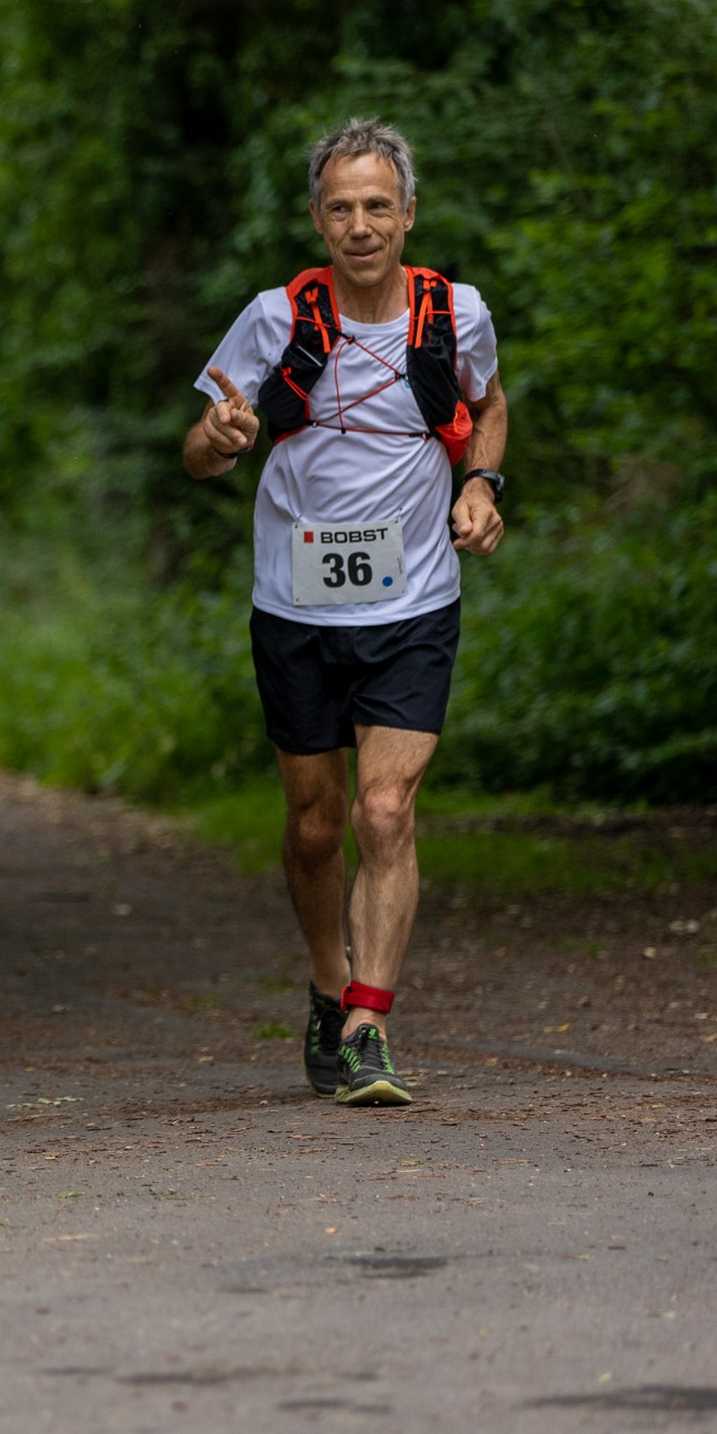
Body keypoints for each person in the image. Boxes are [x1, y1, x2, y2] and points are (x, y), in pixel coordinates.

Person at [184, 117, 508, 1107]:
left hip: (415, 601)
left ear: (407, 214)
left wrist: (482, 482)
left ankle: (370, 1023)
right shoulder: (274, 318)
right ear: (317, 220)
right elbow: (197, 454)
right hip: (296, 605)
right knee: (318, 823)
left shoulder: (456, 312)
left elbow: (489, 404)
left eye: (377, 206)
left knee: (384, 808)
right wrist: (220, 436)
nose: (360, 225)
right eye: (340, 208)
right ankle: (329, 982)